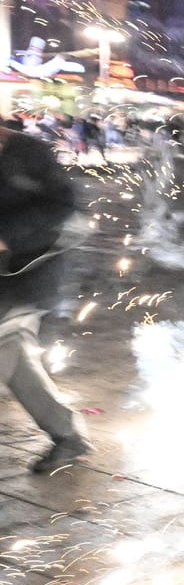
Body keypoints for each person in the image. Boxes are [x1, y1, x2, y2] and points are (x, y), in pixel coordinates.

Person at [0, 123, 91, 474]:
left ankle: (67, 435)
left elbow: (62, 206)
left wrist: (7, 237)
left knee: (6, 349)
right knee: (10, 353)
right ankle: (68, 436)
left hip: (28, 273)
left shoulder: (28, 153)